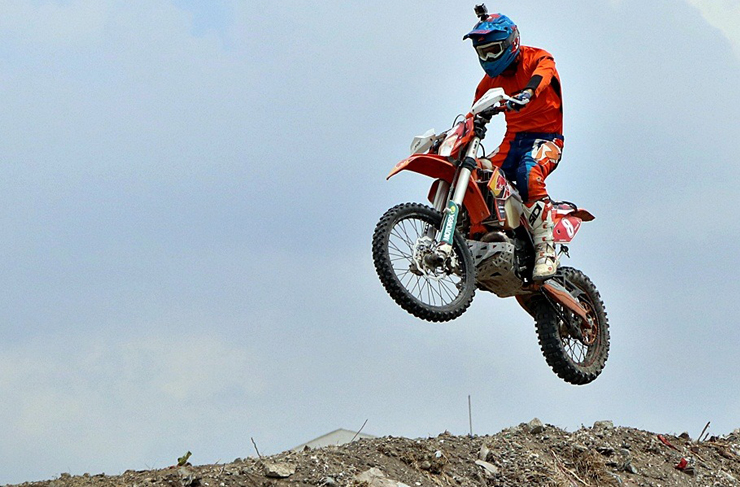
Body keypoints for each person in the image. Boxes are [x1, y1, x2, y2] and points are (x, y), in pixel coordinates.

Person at [464, 8, 564, 280]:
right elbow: (473, 113)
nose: (488, 59)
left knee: (528, 173)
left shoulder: (539, 58)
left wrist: (528, 92)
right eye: (483, 53)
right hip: (512, 142)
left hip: (547, 139)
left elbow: (543, 76)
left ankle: (546, 248)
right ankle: (489, 232)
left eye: (493, 51)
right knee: (478, 172)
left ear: (512, 42)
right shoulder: (488, 82)